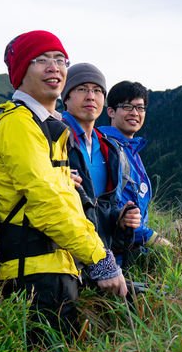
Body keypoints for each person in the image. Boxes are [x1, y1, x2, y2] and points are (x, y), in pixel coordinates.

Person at [0, 31, 127, 344]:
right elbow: (46, 203)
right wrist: (100, 259)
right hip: (34, 277)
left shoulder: (46, 126)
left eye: (60, 60)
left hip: (55, 269)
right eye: (41, 60)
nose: (54, 67)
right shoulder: (18, 124)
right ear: (22, 70)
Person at [60, 62, 141, 283]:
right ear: (65, 97)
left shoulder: (111, 149)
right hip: (63, 264)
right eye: (81, 89)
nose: (90, 96)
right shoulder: (51, 138)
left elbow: (105, 212)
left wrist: (122, 222)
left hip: (102, 263)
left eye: (97, 91)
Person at [99, 80, 172, 268]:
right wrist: (160, 243)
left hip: (130, 254)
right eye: (127, 106)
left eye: (140, 108)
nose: (135, 113)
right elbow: (115, 209)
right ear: (111, 112)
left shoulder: (131, 150)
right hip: (115, 259)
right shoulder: (107, 149)